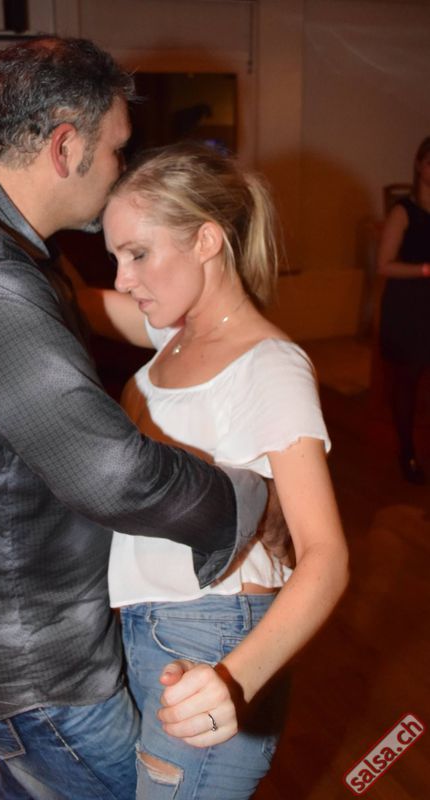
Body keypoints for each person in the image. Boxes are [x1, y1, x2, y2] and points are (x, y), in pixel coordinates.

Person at [0, 38, 276, 800]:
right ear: (65, 147)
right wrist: (253, 501)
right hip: (38, 666)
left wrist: (219, 327)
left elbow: (73, 316)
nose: (121, 169)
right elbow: (111, 472)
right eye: (115, 149)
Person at [75, 142, 349, 799]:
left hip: (212, 633)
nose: (124, 279)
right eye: (116, 257)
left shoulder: (270, 365)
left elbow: (327, 556)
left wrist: (233, 678)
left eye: (138, 253)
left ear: (205, 240)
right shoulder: (175, 335)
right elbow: (70, 303)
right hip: (150, 625)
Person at [377, 135, 430, 485]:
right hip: (409, 303)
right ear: (419, 165)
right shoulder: (403, 210)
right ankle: (406, 451)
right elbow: (384, 265)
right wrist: (425, 270)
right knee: (407, 379)